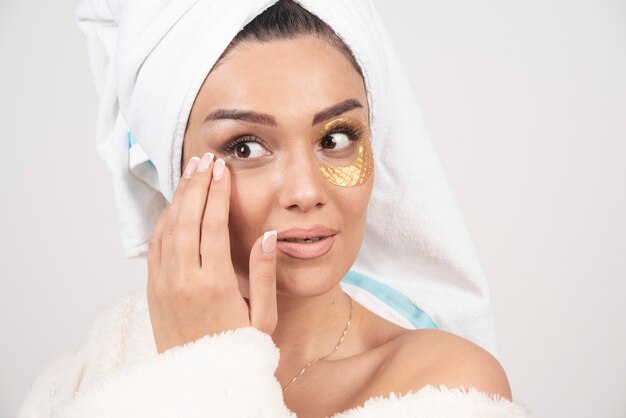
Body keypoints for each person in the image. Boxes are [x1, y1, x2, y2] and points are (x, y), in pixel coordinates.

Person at [17, 1, 532, 417]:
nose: (306, 191)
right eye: (245, 147)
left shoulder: (449, 387)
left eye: (335, 137)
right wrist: (203, 363)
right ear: (176, 171)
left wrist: (206, 373)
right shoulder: (89, 375)